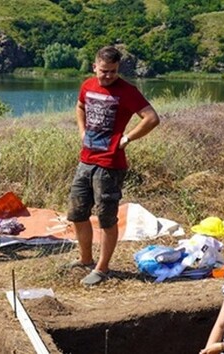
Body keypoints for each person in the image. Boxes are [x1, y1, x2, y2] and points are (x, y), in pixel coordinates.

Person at [68, 45, 161, 287]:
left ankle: (102, 267)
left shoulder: (128, 91)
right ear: (94, 66)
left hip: (110, 164)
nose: (108, 75)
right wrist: (81, 131)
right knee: (77, 213)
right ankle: (85, 259)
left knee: (106, 218)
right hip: (86, 160)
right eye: (104, 70)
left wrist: (127, 138)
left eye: (113, 71)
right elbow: (80, 106)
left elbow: (152, 118)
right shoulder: (87, 85)